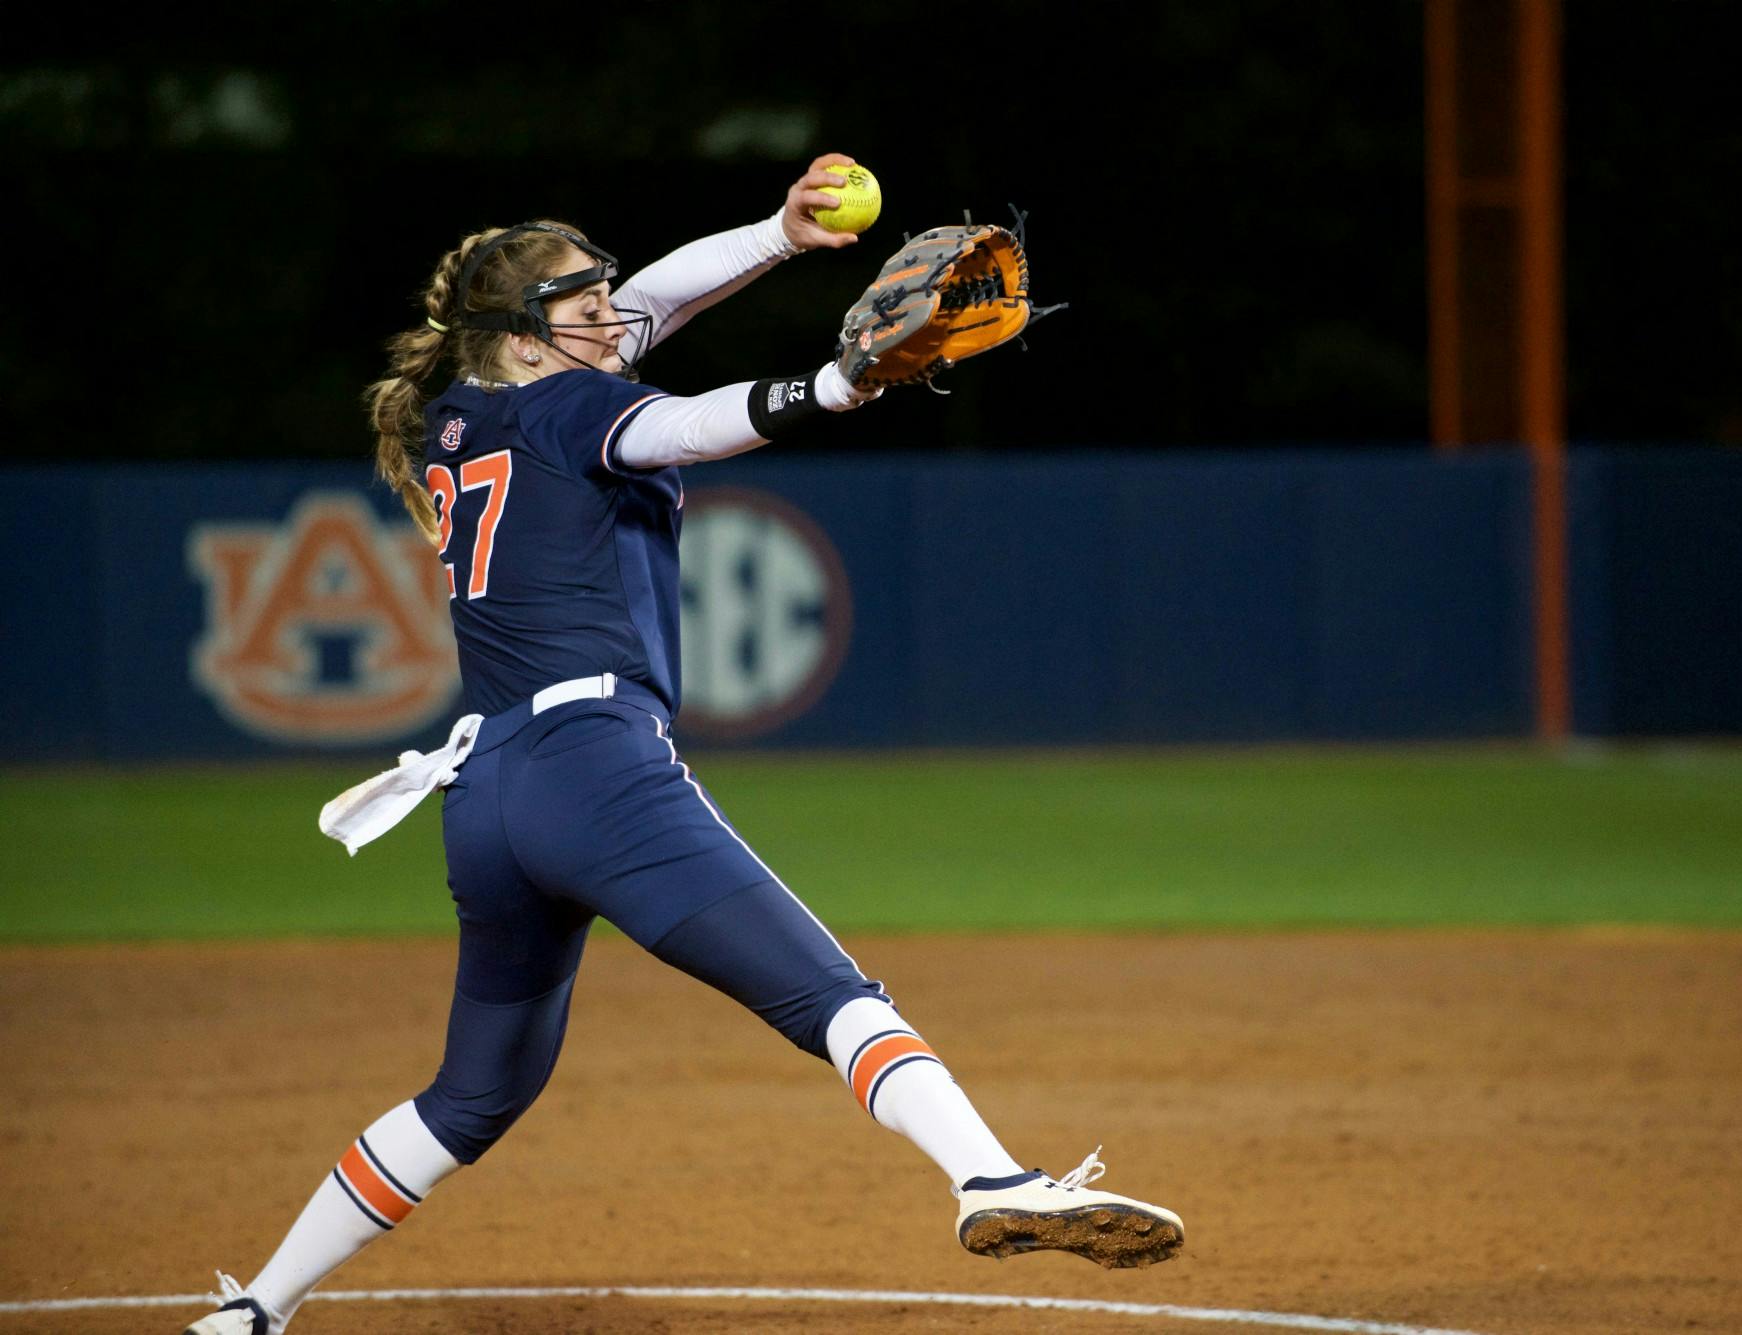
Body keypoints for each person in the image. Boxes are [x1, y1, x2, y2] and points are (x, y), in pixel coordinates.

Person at [182, 154, 1183, 1335]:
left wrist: (777, 233)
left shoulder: (469, 409)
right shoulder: (579, 403)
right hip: (597, 770)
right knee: (830, 995)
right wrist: (836, 384)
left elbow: (651, 302)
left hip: (489, 794)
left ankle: (253, 1310)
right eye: (579, 299)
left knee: (472, 1095)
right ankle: (989, 1176)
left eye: (603, 288)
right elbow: (696, 425)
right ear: (519, 335)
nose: (610, 308)